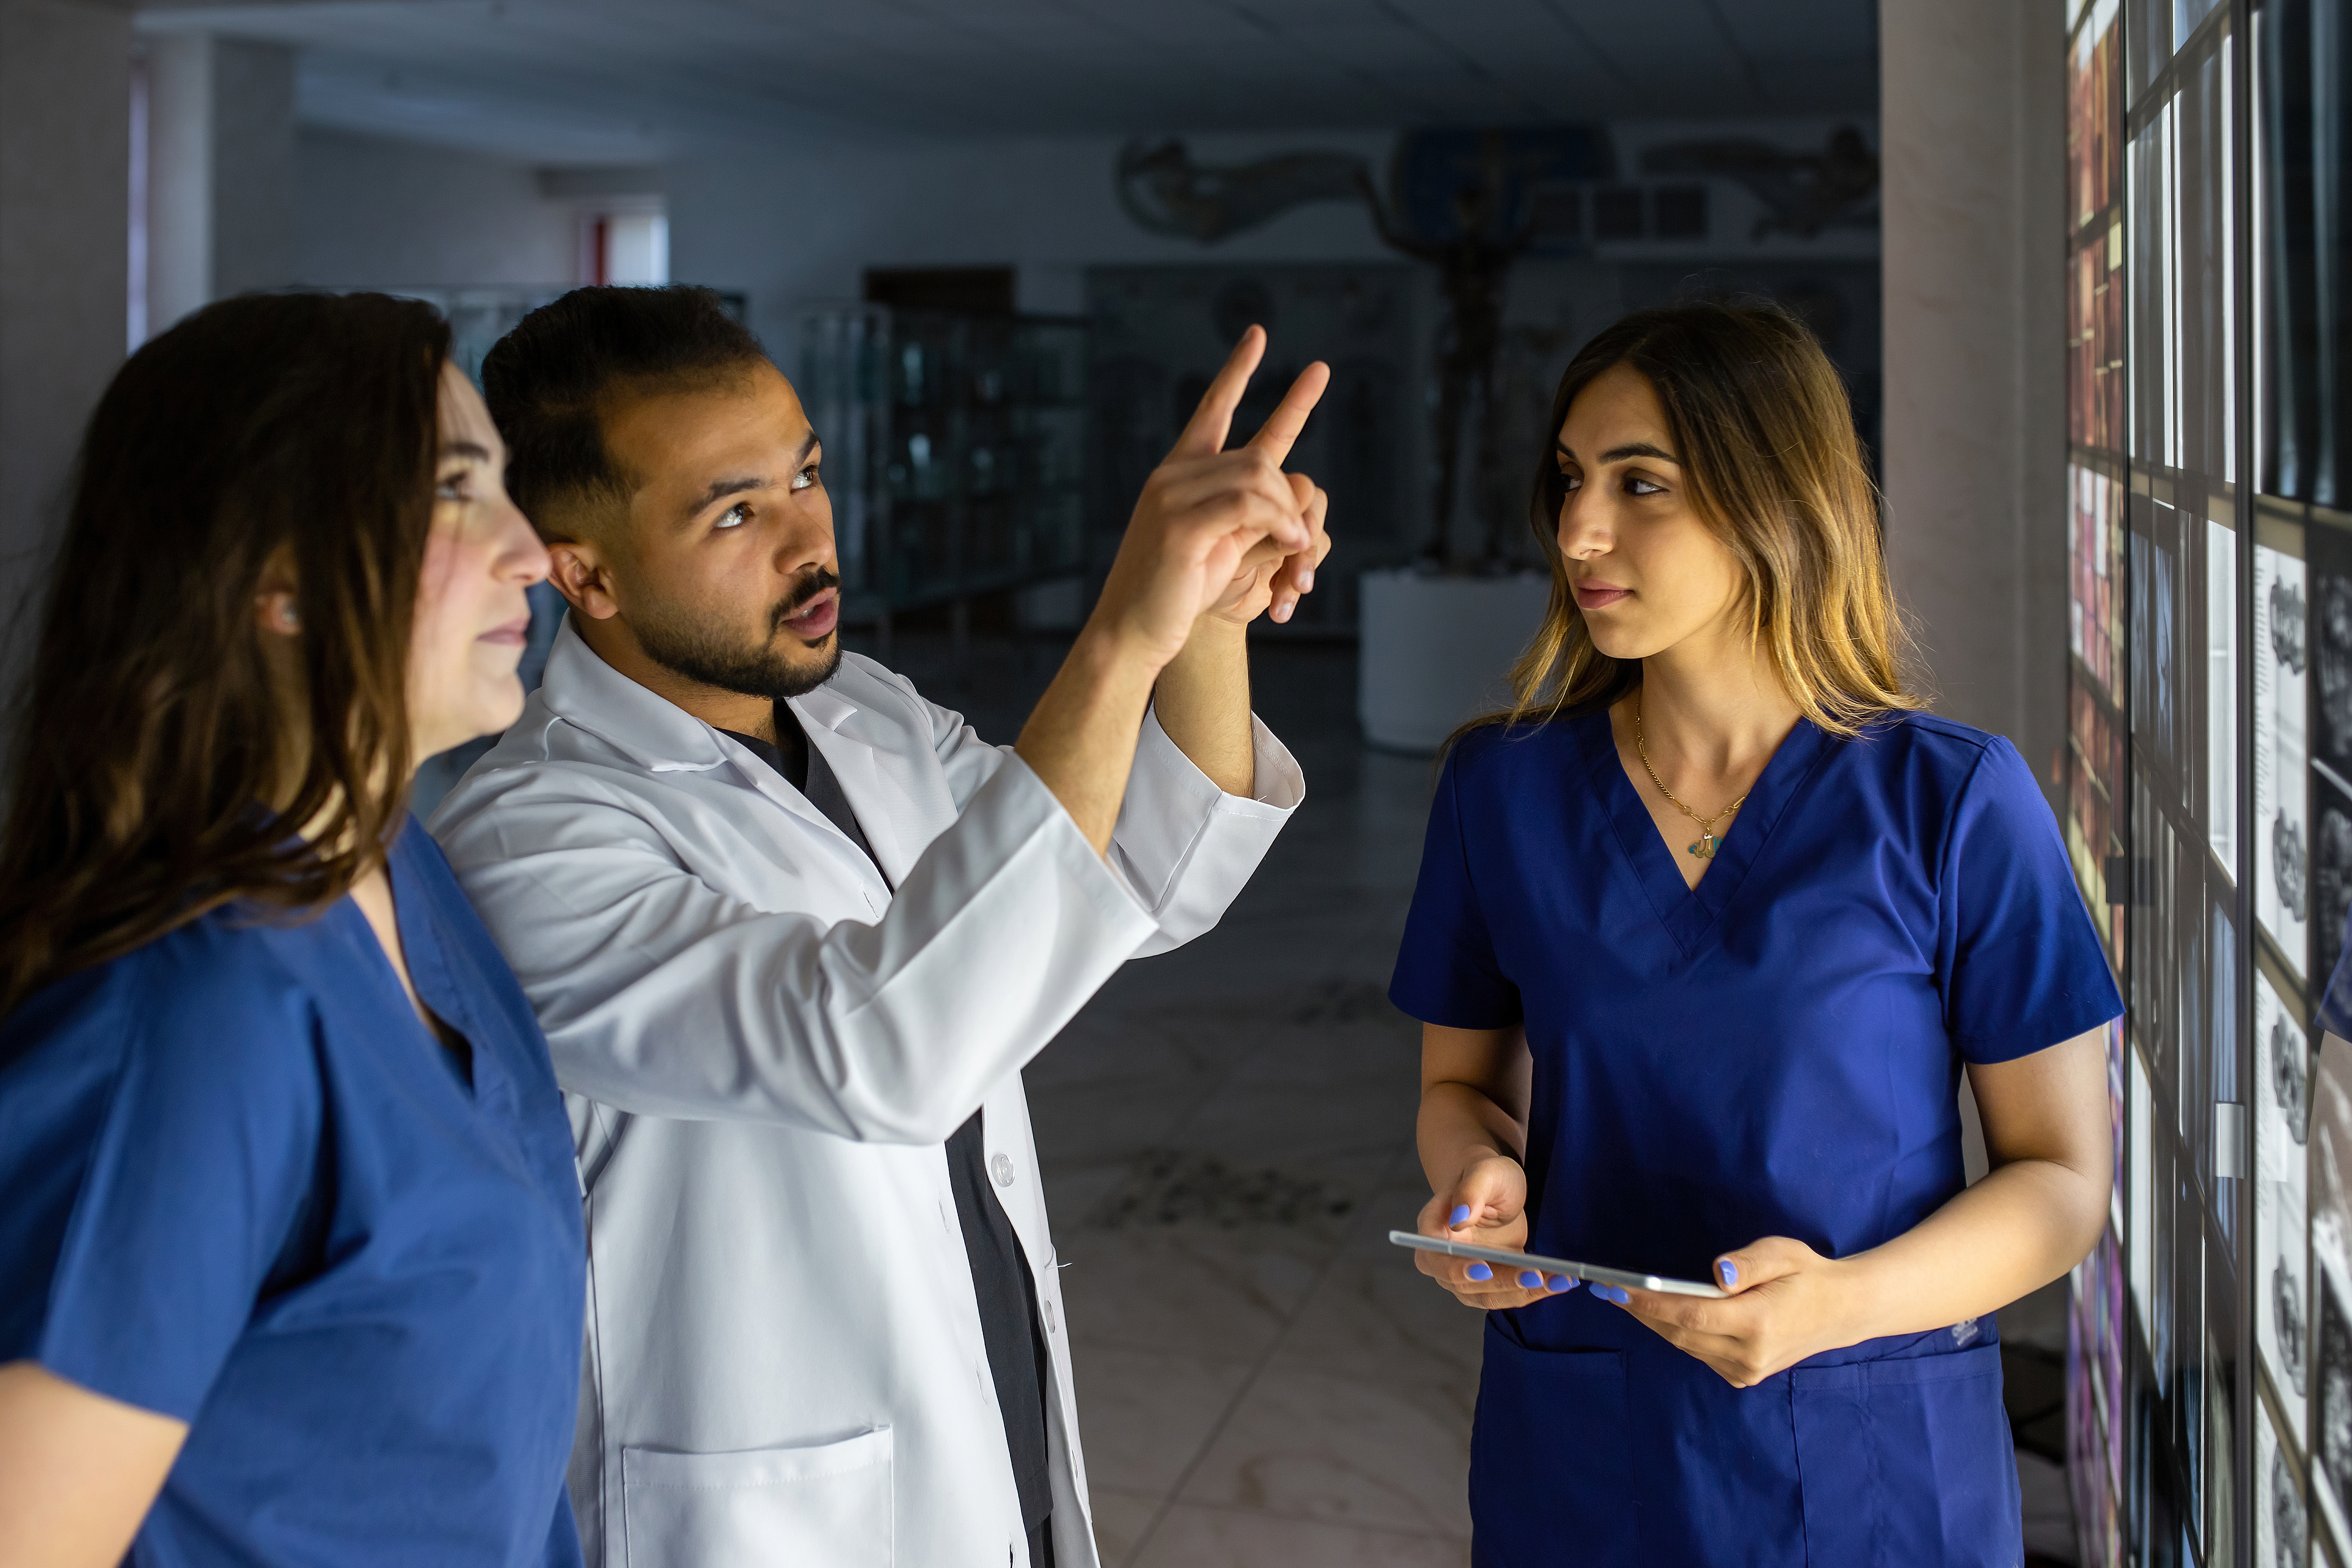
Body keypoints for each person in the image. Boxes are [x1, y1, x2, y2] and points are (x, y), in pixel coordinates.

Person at [427, 285, 1327, 1568]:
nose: (810, 540)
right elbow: (884, 1047)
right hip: (767, 1497)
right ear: (584, 571)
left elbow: (1137, 875)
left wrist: (1208, 621)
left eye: (806, 475)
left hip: (984, 1389)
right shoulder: (531, 836)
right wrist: (1127, 626)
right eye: (735, 511)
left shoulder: (868, 711)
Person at [1390, 300, 2123, 1565]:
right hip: (1583, 1444)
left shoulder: (1952, 800)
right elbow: (1463, 1086)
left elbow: (2061, 1186)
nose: (1578, 529)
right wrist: (1481, 1181)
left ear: (1772, 497)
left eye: (1640, 482)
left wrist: (1841, 1305)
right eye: (1569, 479)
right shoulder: (1499, 791)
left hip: (1873, 1458)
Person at [0, 293, 585, 1567]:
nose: (532, 551)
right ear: (278, 577)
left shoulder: (396, 875)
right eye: (453, 488)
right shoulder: (193, 1013)